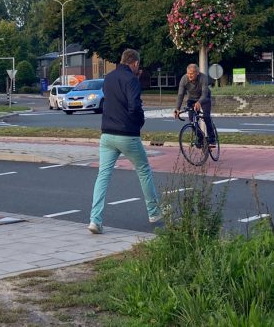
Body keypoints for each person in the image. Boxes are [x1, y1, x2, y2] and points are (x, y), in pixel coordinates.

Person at [88, 48, 162, 234]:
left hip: (106, 134)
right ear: (135, 63)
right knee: (143, 170)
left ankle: (95, 220)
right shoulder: (132, 80)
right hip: (127, 134)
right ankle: (153, 213)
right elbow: (134, 106)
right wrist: (139, 122)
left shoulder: (108, 78)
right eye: (139, 66)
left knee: (103, 176)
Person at [173, 63, 217, 147]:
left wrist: (199, 102)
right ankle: (201, 137)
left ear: (197, 73)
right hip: (192, 99)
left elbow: (204, 94)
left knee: (206, 116)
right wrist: (177, 108)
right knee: (192, 120)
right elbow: (180, 94)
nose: (190, 75)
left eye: (192, 73)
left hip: (204, 98)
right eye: (188, 73)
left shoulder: (203, 78)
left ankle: (212, 138)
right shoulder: (184, 79)